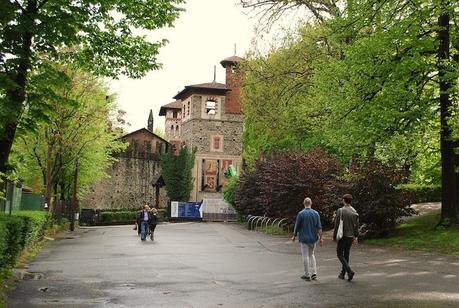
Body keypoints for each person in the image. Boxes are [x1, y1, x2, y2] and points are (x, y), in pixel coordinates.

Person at [291, 197, 323, 281]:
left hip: (304, 238)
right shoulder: (316, 213)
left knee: (305, 256)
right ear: (311, 203)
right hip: (313, 238)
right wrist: (321, 238)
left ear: (304, 203)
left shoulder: (301, 214)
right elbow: (319, 227)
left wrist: (294, 235)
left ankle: (307, 274)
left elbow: (297, 226)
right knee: (311, 254)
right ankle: (314, 273)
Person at [333, 194, 359, 282]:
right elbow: (356, 226)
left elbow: (337, 224)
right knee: (346, 254)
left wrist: (334, 236)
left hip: (343, 236)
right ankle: (343, 274)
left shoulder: (340, 211)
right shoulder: (355, 211)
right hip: (350, 236)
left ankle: (349, 271)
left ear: (344, 200)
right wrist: (356, 236)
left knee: (339, 253)